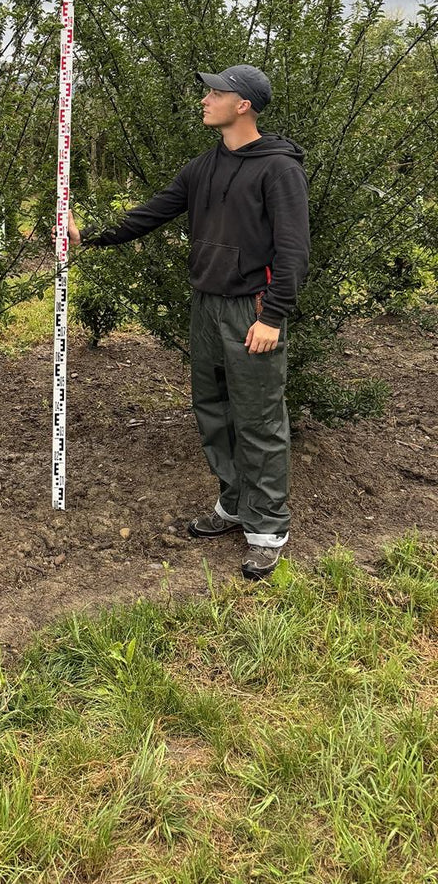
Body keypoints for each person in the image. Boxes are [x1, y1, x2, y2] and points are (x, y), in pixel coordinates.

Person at [68, 65, 310, 580]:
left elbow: (293, 250)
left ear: (243, 104)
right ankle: (234, 503)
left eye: (215, 92)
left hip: (254, 311)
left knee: (260, 418)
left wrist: (274, 315)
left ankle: (268, 528)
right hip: (206, 305)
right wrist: (89, 235)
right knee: (213, 410)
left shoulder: (279, 170)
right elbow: (152, 213)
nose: (206, 98)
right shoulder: (202, 167)